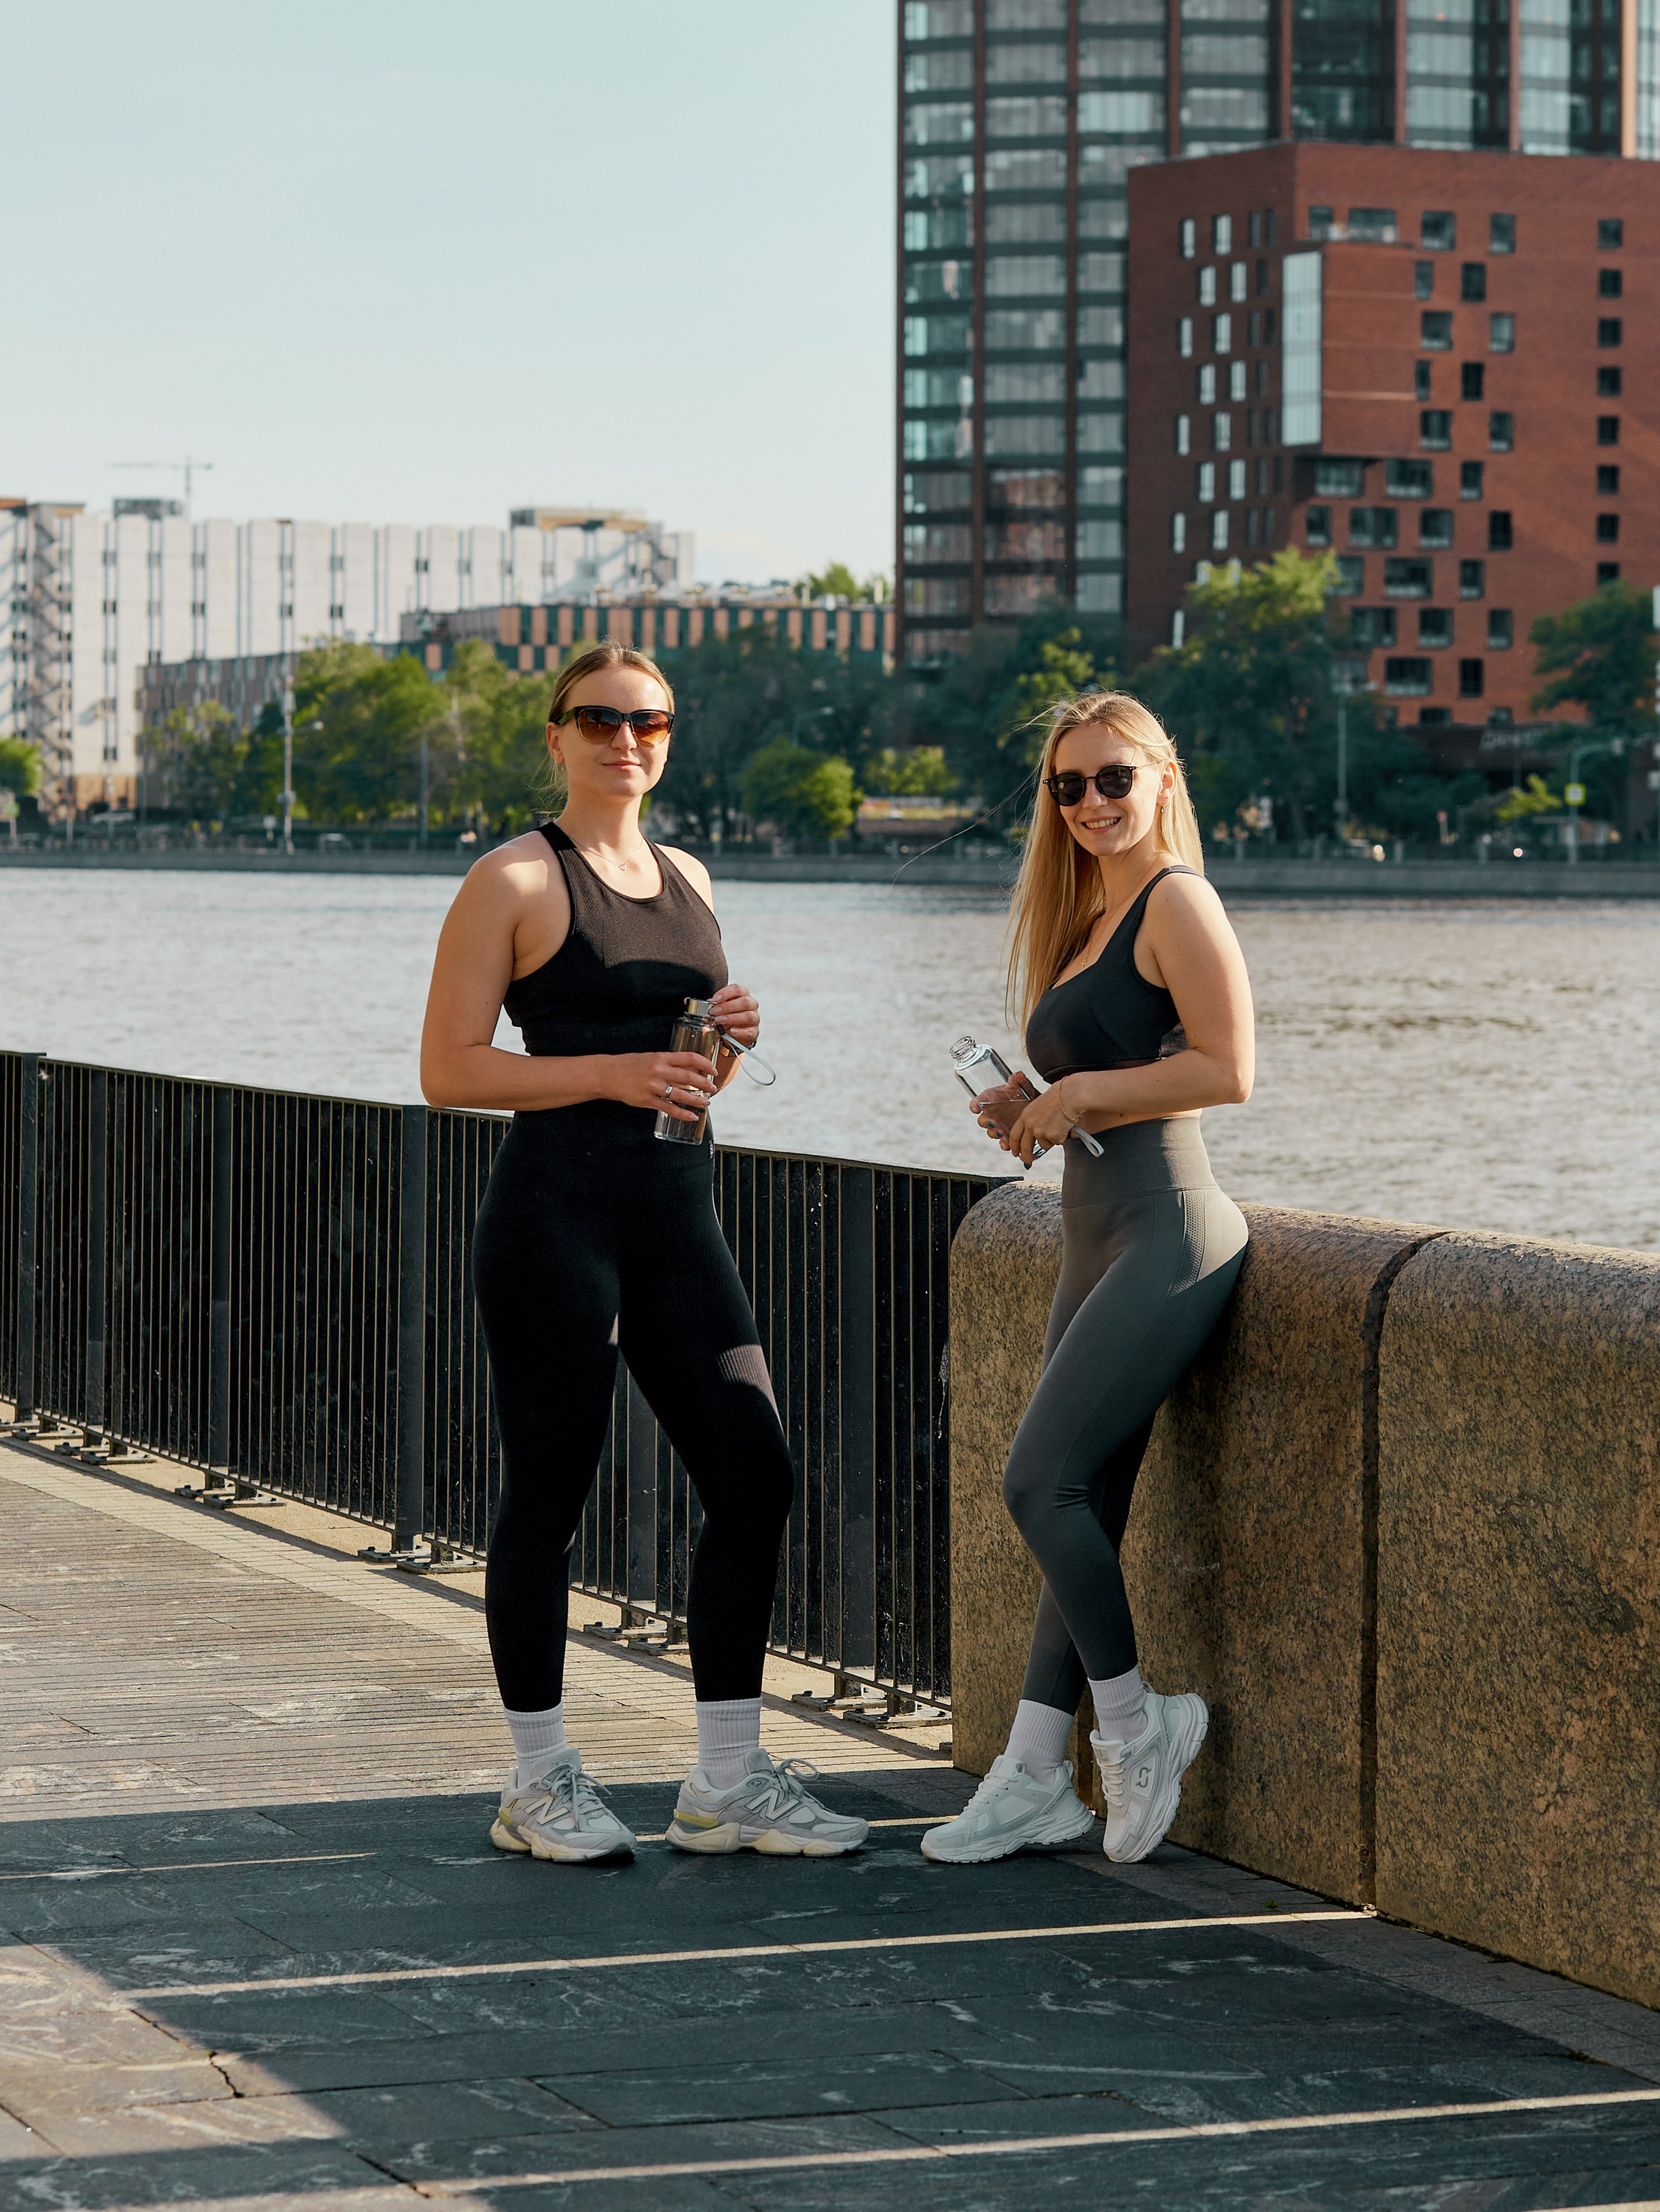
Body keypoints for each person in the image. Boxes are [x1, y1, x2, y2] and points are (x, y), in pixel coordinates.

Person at [420, 640, 867, 1866]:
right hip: (554, 1223)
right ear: (556, 734)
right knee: (549, 1497)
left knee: (754, 1471)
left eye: (653, 721)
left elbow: (695, 1079)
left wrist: (727, 1039)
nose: (629, 740)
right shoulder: (512, 879)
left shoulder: (691, 874)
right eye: (602, 719)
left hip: (678, 1220)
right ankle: (538, 1780)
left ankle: (725, 1781)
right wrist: (615, 1071)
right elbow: (448, 1069)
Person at [922, 691, 1253, 1870]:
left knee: (1038, 1483)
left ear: (1164, 776)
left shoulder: (1178, 901)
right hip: (1093, 1230)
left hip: (1171, 1234)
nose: (1093, 804)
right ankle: (1030, 1778)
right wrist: (1034, 1108)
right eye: (1069, 787)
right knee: (1085, 1503)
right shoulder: (1086, 916)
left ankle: (1136, 1726)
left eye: (1116, 778)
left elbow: (1229, 1068)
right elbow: (1108, 1082)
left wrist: (1081, 1099)